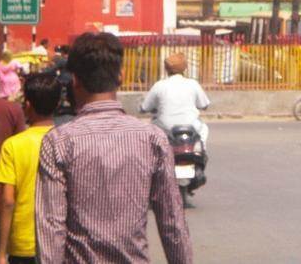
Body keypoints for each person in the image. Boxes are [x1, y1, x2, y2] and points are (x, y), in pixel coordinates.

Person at [35, 32, 191, 263]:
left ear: (75, 80)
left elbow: (50, 225)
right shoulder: (152, 139)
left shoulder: (58, 142)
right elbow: (172, 221)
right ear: (121, 76)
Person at [0, 73, 60, 264]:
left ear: (28, 105)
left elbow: (8, 200)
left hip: (22, 244)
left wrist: (1, 252)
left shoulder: (13, 145)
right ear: (57, 105)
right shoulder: (67, 141)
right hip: (57, 241)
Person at [141, 52, 210, 147]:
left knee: (151, 128)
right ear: (185, 68)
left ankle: (154, 156)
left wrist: (143, 108)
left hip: (165, 127)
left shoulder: (159, 85)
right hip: (191, 125)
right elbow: (204, 105)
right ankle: (200, 150)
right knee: (204, 128)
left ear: (166, 68)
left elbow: (144, 108)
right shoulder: (193, 84)